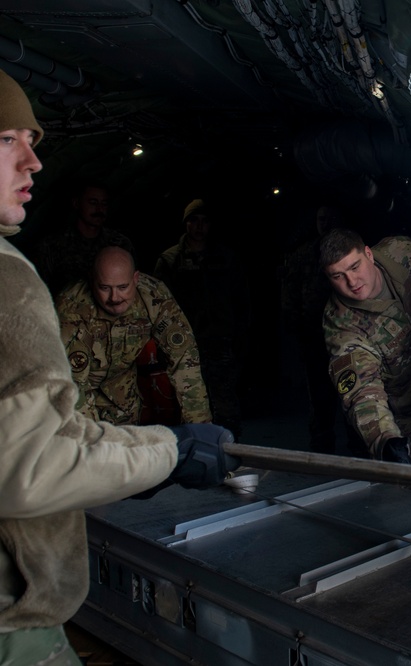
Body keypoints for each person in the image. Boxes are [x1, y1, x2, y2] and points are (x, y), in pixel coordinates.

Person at [0, 69, 237, 665]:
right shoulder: (40, 295)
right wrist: (169, 451)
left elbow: (182, 360)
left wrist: (197, 435)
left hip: (115, 413)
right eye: (8, 139)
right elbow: (40, 453)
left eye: (33, 140)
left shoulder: (156, 295)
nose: (34, 162)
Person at [320, 228, 411, 465]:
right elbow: (362, 391)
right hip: (404, 414)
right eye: (338, 276)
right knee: (403, 491)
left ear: (369, 254)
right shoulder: (340, 323)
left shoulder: (405, 255)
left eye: (355, 267)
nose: (352, 282)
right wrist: (385, 440)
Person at [57, 245, 213, 427]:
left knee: (129, 447)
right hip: (77, 393)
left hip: (122, 394)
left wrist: (201, 427)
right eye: (105, 287)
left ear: (136, 278)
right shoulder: (71, 310)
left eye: (123, 287)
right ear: (92, 280)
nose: (114, 297)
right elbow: (70, 383)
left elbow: (185, 360)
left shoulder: (154, 297)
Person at [154, 198, 249, 436]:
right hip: (183, 344)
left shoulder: (226, 258)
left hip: (220, 341)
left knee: (226, 403)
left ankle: (231, 455)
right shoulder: (169, 260)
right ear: (185, 223)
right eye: (193, 220)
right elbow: (157, 306)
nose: (199, 226)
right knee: (186, 402)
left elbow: (241, 301)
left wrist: (240, 335)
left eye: (204, 221)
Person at [280, 203, 342, 453]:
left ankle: (361, 451)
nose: (324, 224)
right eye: (320, 218)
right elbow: (290, 292)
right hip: (314, 336)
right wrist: (297, 326)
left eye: (329, 218)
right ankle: (322, 448)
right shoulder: (305, 254)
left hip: (346, 334)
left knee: (352, 392)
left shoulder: (346, 254)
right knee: (319, 395)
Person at [32, 181, 135, 297]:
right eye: (93, 202)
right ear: (76, 203)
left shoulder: (119, 243)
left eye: (104, 204)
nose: (99, 209)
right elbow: (38, 290)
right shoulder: (52, 245)